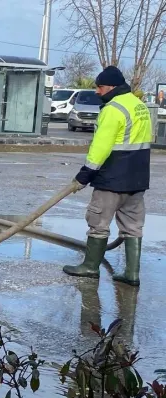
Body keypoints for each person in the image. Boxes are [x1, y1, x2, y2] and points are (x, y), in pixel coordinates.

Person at [63, 66, 151, 286]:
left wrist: (85, 175)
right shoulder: (139, 106)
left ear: (111, 86)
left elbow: (101, 146)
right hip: (137, 178)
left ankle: (90, 267)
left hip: (112, 177)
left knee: (98, 222)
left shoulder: (113, 109)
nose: (97, 91)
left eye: (100, 86)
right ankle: (132, 274)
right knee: (132, 226)